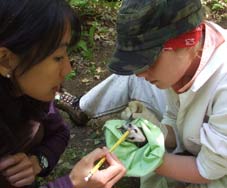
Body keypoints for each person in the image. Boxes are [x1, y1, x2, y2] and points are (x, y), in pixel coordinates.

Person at [58, 0, 227, 187]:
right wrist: (148, 136)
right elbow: (173, 119)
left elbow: (207, 170)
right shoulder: (182, 63)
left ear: (190, 41)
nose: (139, 73)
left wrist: (144, 158)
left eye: (149, 60)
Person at [0, 0, 125, 188]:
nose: (67, 69)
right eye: (58, 57)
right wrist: (72, 184)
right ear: (6, 60)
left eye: (66, 54)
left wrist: (38, 161)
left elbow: (59, 132)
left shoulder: (30, 92)